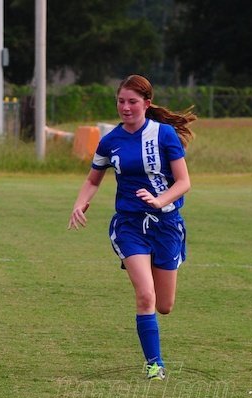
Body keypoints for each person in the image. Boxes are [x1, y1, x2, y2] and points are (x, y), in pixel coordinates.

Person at [67, 74, 196, 380]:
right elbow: (93, 180)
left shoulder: (164, 134)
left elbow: (184, 182)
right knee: (145, 296)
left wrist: (159, 200)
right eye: (121, 101)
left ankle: (154, 353)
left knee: (164, 305)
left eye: (132, 102)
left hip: (166, 225)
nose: (125, 107)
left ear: (147, 103)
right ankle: (154, 364)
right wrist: (79, 203)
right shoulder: (110, 141)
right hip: (130, 225)